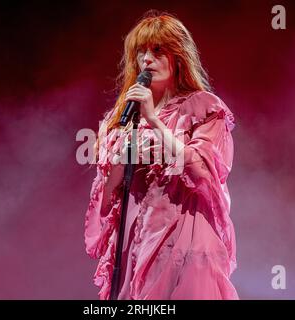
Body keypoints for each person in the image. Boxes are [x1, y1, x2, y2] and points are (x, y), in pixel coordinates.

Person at [84, 10, 239, 300]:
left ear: (178, 56)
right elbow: (106, 195)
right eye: (141, 52)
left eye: (157, 50)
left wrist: (154, 121)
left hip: (185, 236)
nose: (146, 59)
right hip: (137, 240)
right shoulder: (121, 119)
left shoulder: (204, 108)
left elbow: (203, 172)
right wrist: (123, 153)